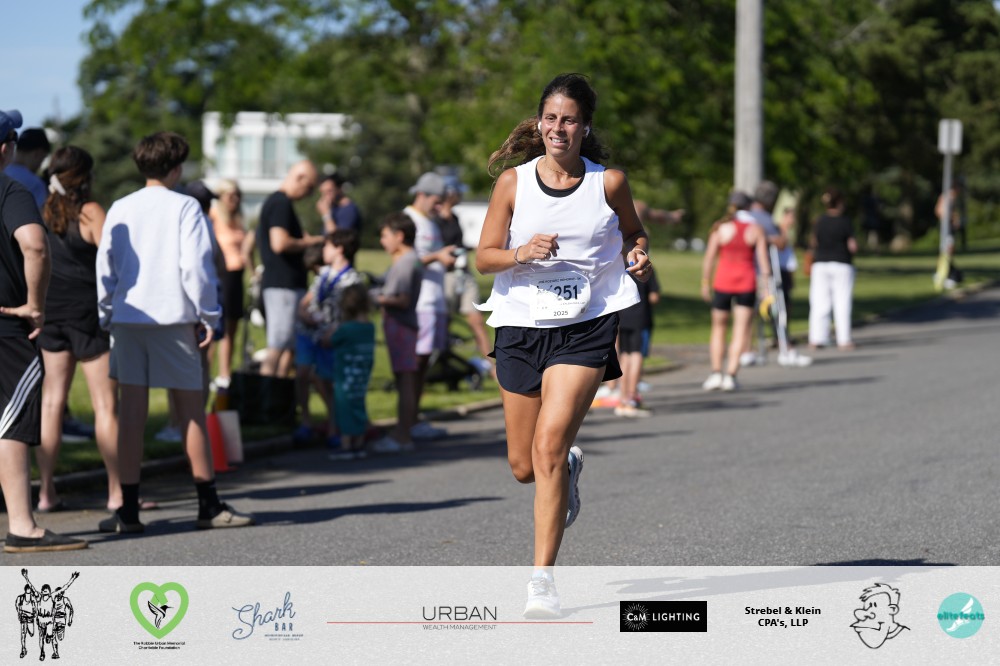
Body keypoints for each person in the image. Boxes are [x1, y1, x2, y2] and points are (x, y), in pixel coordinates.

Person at [475, 74, 651, 618]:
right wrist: (521, 252)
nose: (558, 128)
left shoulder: (608, 183)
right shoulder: (513, 183)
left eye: (569, 119)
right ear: (539, 123)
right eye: (550, 118)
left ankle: (542, 582)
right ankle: (568, 469)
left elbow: (633, 231)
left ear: (585, 127)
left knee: (547, 448)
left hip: (585, 325)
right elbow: (483, 256)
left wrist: (638, 253)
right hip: (521, 325)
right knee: (523, 465)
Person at [96, 131, 253, 533]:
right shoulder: (185, 206)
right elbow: (196, 267)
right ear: (177, 168)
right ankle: (208, 504)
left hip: (128, 318)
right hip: (173, 318)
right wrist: (209, 315)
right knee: (190, 413)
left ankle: (127, 511)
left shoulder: (120, 206)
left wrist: (107, 312)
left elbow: (105, 267)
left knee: (131, 416)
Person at [0, 108, 87, 554]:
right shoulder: (11, 189)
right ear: (6, 148)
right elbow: (35, 246)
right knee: (11, 422)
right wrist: (35, 306)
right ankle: (22, 526)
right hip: (7, 327)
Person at [35, 146, 123, 513]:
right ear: (84, 176)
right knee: (105, 405)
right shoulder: (91, 211)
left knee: (51, 403)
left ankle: (46, 493)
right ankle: (117, 492)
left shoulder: (43, 210)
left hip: (51, 313)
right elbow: (113, 261)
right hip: (87, 316)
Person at [294, 230, 362, 447]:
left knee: (329, 381)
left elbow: (351, 313)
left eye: (327, 246)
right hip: (309, 333)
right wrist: (304, 313)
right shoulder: (323, 274)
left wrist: (334, 332)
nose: (323, 250)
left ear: (339, 249)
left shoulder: (352, 279)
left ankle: (335, 426)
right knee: (303, 375)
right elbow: (307, 301)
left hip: (331, 337)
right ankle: (306, 421)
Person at [257, 160, 323, 377]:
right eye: (309, 187)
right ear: (300, 178)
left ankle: (279, 393)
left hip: (286, 286)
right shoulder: (280, 203)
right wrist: (310, 242)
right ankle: (266, 392)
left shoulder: (279, 203)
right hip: (282, 286)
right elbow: (280, 243)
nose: (309, 194)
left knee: (288, 347)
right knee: (277, 346)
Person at [403, 172, 457, 440]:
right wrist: (437, 256)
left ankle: (414, 417)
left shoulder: (431, 222)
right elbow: (405, 261)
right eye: (436, 201)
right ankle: (408, 420)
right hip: (420, 301)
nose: (440, 207)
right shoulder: (408, 220)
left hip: (435, 299)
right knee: (415, 362)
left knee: (424, 363)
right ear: (421, 194)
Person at [700, 200, 770, 392]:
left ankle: (716, 373)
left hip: (723, 282)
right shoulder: (756, 229)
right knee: (741, 330)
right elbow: (763, 262)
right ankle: (731, 375)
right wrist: (766, 288)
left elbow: (709, 258)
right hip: (746, 282)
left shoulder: (720, 227)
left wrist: (705, 283)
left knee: (718, 328)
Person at [370, 213, 423, 453]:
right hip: (405, 325)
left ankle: (402, 435)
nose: (382, 241)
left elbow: (401, 300)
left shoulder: (405, 262)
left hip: (400, 325)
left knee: (404, 381)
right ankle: (404, 431)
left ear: (399, 236)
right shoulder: (411, 259)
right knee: (406, 379)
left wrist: (374, 298)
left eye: (385, 236)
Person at [437, 176, 494, 367]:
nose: (461, 195)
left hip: (463, 274)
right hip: (445, 276)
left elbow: (457, 244)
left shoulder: (454, 217)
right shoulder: (435, 220)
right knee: (444, 323)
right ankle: (442, 365)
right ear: (449, 194)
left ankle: (491, 367)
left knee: (476, 320)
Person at [208, 179, 254, 389]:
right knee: (219, 326)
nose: (235, 200)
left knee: (232, 326)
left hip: (237, 275)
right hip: (222, 275)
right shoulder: (214, 216)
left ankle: (224, 373)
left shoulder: (239, 219)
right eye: (230, 195)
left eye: (237, 195)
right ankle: (207, 372)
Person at [327, 283, 376, 460]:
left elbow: (329, 341)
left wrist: (333, 329)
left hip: (345, 375)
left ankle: (346, 444)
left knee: (344, 407)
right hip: (362, 373)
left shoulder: (346, 329)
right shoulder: (369, 327)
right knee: (359, 404)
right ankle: (359, 442)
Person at [808, 187, 857, 350]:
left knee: (819, 302)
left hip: (820, 264)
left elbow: (814, 242)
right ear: (840, 202)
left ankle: (816, 338)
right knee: (842, 302)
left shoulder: (819, 220)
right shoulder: (845, 221)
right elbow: (852, 246)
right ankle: (844, 339)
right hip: (842, 264)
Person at [614, 267, 660, 417]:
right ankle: (632, 398)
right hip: (640, 318)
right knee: (636, 355)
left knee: (624, 356)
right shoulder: (644, 267)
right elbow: (654, 296)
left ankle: (622, 399)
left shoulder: (619, 266)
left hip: (621, 317)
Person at [23, 569, 77, 662]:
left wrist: (72, 578)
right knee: (41, 638)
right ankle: (42, 652)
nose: (45, 591)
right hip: (41, 620)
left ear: (49, 591)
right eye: (43, 590)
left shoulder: (52, 596)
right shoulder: (38, 596)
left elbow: (64, 588)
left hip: (49, 621)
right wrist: (26, 577)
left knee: (50, 635)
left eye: (47, 590)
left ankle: (49, 636)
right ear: (42, 591)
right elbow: (32, 587)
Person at [4, 127, 50, 210]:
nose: (39, 166)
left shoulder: (3, 170)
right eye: (42, 159)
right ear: (37, 153)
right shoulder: (35, 183)